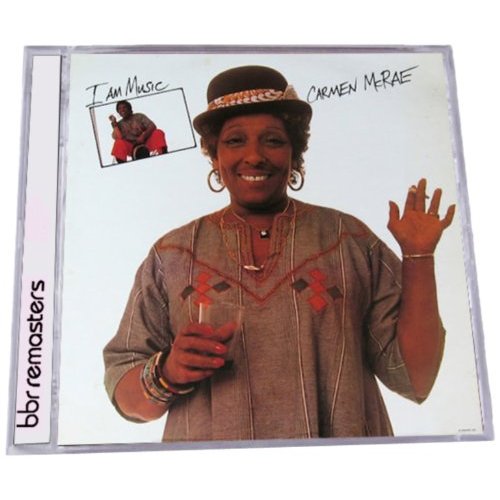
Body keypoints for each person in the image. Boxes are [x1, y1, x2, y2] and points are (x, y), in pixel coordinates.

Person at [103, 65, 455, 441]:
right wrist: (167, 373)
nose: (254, 156)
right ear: (214, 156)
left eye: (273, 140)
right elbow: (125, 393)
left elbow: (415, 378)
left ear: (294, 153)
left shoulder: (348, 240)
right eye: (235, 141)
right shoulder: (172, 255)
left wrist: (419, 257)